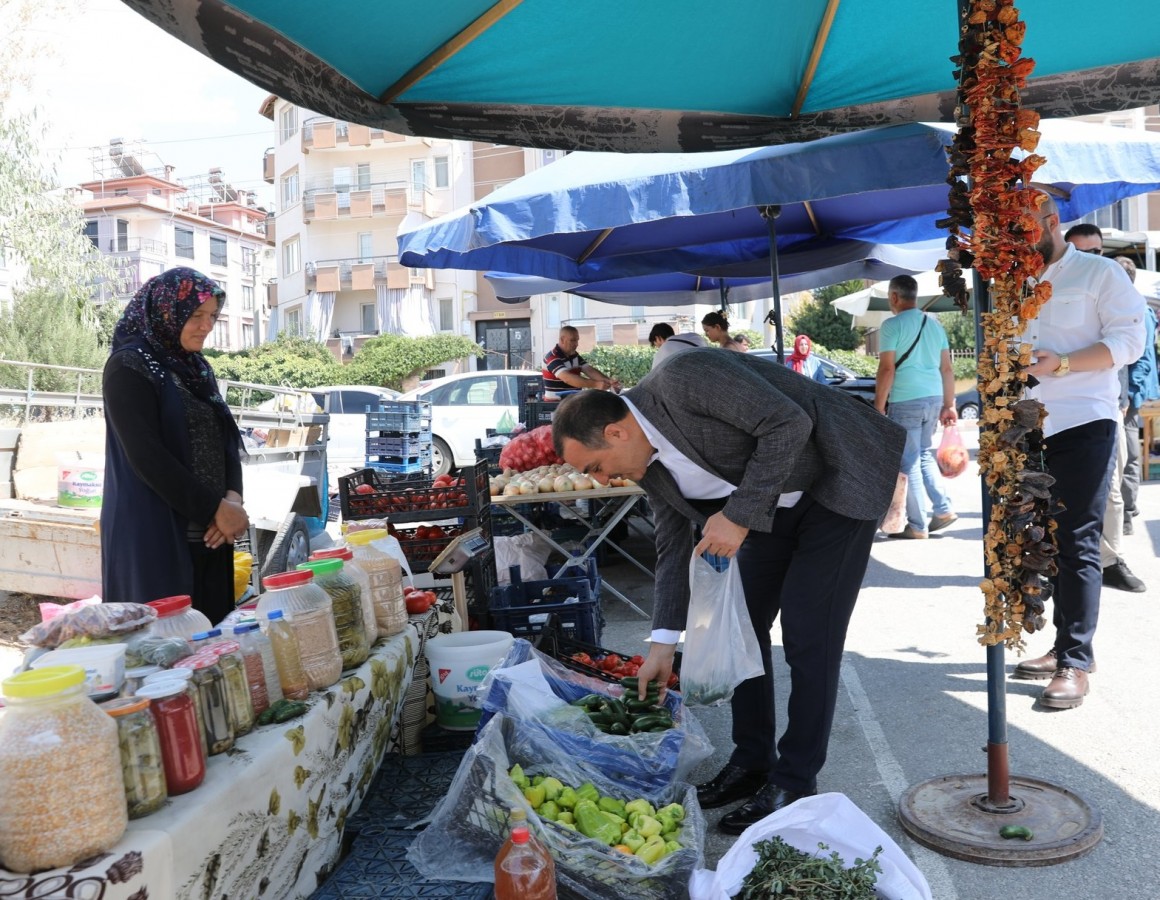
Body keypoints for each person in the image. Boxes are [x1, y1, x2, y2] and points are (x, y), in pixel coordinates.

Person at [551, 348, 904, 833]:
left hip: (836, 483)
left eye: (594, 466)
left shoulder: (683, 379)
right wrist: (662, 644)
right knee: (740, 625)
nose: (601, 479)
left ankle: (795, 780)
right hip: (771, 509)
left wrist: (736, 516)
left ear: (616, 432)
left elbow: (788, 423)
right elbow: (673, 547)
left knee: (808, 634)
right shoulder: (649, 466)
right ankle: (751, 761)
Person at [1011, 192, 1146, 709]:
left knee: (1079, 540)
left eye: (1026, 231)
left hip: (1084, 421)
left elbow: (1130, 343)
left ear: (1052, 222)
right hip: (1027, 426)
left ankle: (1075, 661)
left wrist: (1061, 364)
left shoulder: (1099, 274)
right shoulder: (1016, 280)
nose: (1020, 242)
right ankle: (1058, 644)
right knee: (1043, 542)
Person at [101, 267, 249, 625]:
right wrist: (215, 509)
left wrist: (232, 500)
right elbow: (148, 458)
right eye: (195, 315)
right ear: (167, 312)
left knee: (211, 646)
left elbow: (224, 436)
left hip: (212, 535)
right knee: (162, 651)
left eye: (212, 316)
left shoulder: (196, 367)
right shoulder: (128, 366)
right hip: (155, 538)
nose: (206, 325)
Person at [1061, 242, 1146, 593]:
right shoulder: (1066, 283)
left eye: (1096, 248)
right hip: (1065, 415)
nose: (1090, 254)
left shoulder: (1109, 285)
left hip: (1111, 406)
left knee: (1112, 485)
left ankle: (1110, 559)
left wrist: (1130, 397)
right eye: (1083, 249)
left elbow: (1132, 354)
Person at [873, 274, 958, 539]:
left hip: (906, 399)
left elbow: (887, 369)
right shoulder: (935, 326)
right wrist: (949, 404)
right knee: (922, 454)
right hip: (933, 397)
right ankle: (943, 509)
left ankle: (918, 525)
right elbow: (947, 368)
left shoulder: (891, 326)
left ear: (894, 297)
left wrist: (878, 406)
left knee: (908, 461)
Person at [1114, 256, 1159, 537]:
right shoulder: (1119, 304)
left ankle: (1128, 513)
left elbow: (1141, 361)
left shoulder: (1138, 309)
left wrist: (1128, 396)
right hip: (1120, 392)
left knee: (1129, 453)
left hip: (1128, 395)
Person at [541, 325, 621, 399]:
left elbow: (589, 370)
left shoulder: (574, 355)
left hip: (572, 403)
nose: (576, 344)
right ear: (562, 340)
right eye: (572, 340)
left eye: (577, 340)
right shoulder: (552, 357)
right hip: (555, 407)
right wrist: (596, 384)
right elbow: (567, 378)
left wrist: (608, 381)